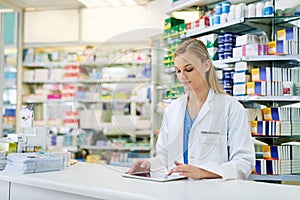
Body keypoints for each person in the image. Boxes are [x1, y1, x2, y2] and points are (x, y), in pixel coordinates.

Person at [128, 39, 255, 180]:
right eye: (178, 71)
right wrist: (148, 165)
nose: (182, 76)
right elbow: (164, 158)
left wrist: (203, 172)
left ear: (206, 65)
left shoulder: (231, 108)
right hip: (176, 191)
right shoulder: (173, 109)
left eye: (189, 69)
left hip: (214, 192)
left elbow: (244, 162)